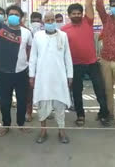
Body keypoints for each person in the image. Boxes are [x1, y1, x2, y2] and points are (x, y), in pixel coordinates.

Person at [61, 0, 110, 127]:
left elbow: (88, 3)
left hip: (92, 63)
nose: (76, 15)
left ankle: (103, 113)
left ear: (82, 14)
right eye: (73, 13)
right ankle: (80, 115)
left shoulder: (87, 21)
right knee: (77, 92)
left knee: (100, 90)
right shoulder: (63, 30)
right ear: (69, 15)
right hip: (75, 65)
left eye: (78, 13)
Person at [0, 0, 32, 137]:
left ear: (21, 17)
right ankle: (6, 125)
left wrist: (30, 69)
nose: (13, 16)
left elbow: (29, 51)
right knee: (4, 103)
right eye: (10, 14)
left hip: (21, 73)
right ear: (6, 17)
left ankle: (21, 124)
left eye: (16, 15)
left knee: (22, 101)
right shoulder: (0, 28)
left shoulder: (27, 32)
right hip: (4, 73)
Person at [29, 11, 73, 144]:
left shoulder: (63, 36)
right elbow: (33, 57)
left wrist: (69, 75)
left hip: (59, 76)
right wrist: (31, 75)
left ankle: (61, 130)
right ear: (43, 22)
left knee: (60, 104)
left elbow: (67, 57)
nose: (50, 22)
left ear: (55, 20)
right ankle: (43, 131)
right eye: (47, 20)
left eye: (52, 19)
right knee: (42, 104)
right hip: (42, 77)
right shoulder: (38, 36)